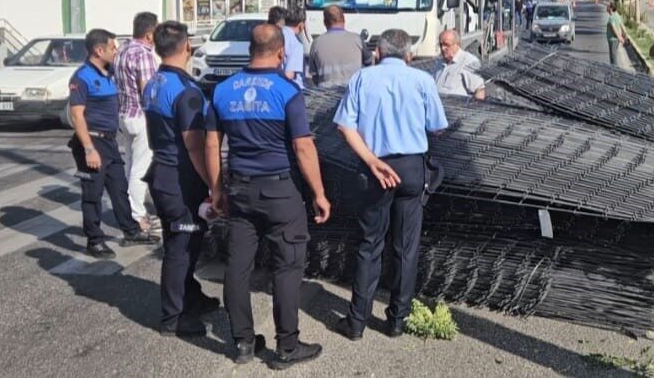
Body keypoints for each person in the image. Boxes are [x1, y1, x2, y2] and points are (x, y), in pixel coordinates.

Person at [205, 23, 331, 368]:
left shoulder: (222, 90)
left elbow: (213, 142)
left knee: (237, 266)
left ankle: (243, 342)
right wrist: (319, 193)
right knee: (287, 267)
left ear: (250, 49)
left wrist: (216, 188)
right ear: (280, 52)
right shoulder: (287, 91)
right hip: (279, 191)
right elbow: (303, 146)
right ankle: (287, 346)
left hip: (240, 190)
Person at [333, 29, 448, 341]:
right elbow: (437, 127)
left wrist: (371, 161)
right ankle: (397, 320)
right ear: (409, 55)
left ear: (378, 53)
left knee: (369, 245)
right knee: (405, 247)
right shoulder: (422, 81)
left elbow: (345, 126)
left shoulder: (362, 78)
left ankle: (356, 322)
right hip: (411, 169)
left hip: (374, 169)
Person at [142, 21, 219, 337]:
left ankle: (190, 295)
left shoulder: (155, 82)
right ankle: (173, 317)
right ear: (188, 46)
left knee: (185, 241)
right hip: (180, 179)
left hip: (161, 171)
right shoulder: (186, 93)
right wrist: (215, 185)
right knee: (180, 247)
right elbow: (195, 145)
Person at [68, 29, 159, 259]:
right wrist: (89, 149)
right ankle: (94, 240)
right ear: (99, 50)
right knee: (93, 194)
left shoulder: (109, 73)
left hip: (109, 142)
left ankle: (131, 231)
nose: (116, 51)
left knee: (119, 188)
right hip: (92, 141)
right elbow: (77, 116)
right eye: (112, 48)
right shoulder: (82, 77)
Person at [114, 12, 160, 233]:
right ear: (150, 34)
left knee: (131, 166)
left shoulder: (122, 49)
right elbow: (148, 90)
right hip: (141, 116)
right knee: (140, 169)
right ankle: (137, 215)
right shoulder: (143, 54)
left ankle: (129, 210)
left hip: (124, 114)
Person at [309, 5, 373, 87]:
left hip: (326, 96)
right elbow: (369, 64)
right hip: (351, 94)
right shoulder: (357, 39)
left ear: (325, 22)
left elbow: (314, 76)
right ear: (344, 19)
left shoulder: (316, 43)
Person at [433, 29, 485, 100]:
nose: (443, 48)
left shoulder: (469, 61)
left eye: (446, 45)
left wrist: (476, 109)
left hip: (457, 109)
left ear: (457, 44)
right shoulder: (440, 62)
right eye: (441, 45)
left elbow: (479, 90)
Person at [268, 6, 306, 90]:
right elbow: (289, 75)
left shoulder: (274, 35)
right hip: (291, 91)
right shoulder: (296, 44)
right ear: (301, 25)